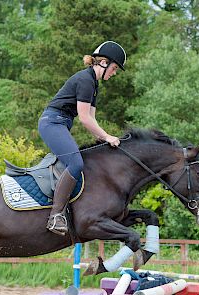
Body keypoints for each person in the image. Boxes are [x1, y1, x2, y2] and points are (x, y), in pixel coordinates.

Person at [38, 41, 124, 236]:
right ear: (103, 62)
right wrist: (107, 136)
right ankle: (56, 216)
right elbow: (84, 118)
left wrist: (104, 140)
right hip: (52, 123)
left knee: (79, 160)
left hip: (60, 123)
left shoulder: (93, 84)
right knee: (76, 164)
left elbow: (91, 119)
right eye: (114, 68)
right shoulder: (85, 80)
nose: (115, 72)